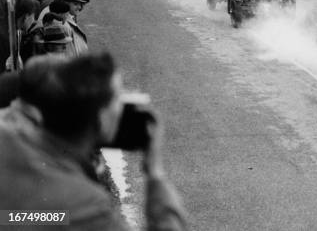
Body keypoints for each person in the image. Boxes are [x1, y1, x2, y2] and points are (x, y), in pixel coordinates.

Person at [0, 52, 188, 230]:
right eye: (117, 97)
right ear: (101, 118)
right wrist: (155, 173)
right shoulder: (86, 206)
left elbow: (15, 216)